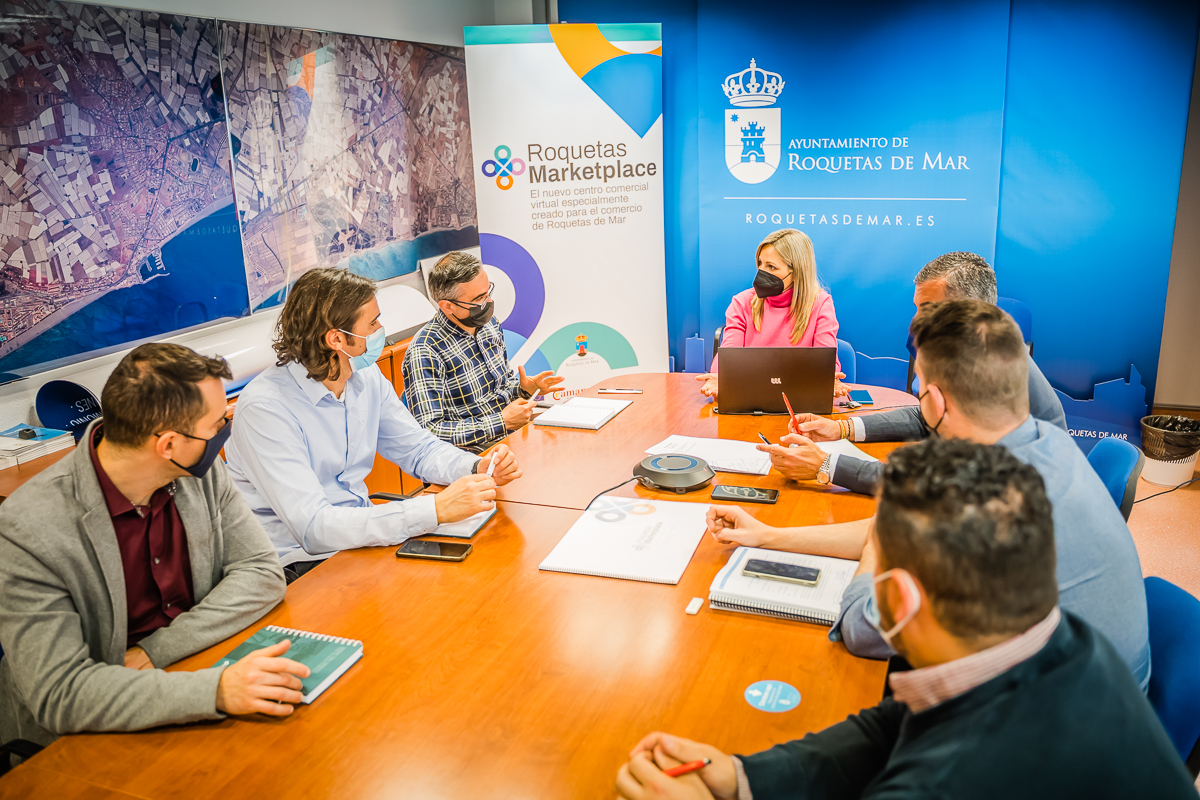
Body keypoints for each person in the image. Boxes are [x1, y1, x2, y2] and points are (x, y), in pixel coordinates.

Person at [615, 439, 1195, 800]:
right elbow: (894, 724)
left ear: (896, 601)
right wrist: (744, 779)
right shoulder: (1059, 639)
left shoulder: (944, 783)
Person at [708, 300, 1150, 688]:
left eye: (918, 389)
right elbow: (897, 528)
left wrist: (880, 540)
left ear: (935, 404)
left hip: (1047, 736)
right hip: (1097, 699)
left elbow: (863, 628)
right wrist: (769, 536)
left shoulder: (984, 506)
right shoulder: (1044, 442)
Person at [0, 344, 307, 752]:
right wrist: (214, 690)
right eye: (217, 423)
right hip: (81, 736)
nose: (224, 430)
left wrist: (156, 651)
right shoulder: (29, 527)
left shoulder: (198, 470)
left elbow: (261, 572)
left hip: (194, 668)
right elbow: (61, 693)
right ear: (168, 445)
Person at [224, 267, 522, 583]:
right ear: (336, 339)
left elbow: (417, 449)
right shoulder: (265, 408)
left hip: (358, 539)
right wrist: (434, 509)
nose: (381, 329)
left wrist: (475, 467)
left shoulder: (363, 375)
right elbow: (314, 528)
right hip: (296, 564)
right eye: (373, 323)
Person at [758, 251, 1066, 492]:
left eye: (928, 309)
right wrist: (841, 428)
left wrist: (826, 465)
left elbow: (937, 485)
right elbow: (927, 417)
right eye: (917, 308)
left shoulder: (993, 372)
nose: (915, 322)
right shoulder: (971, 349)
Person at [403, 251, 562, 451]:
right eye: (479, 298)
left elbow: (501, 390)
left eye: (488, 292)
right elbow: (430, 430)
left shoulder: (489, 325)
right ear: (447, 306)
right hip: (471, 453)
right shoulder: (425, 351)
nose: (488, 302)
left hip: (511, 437)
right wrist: (501, 422)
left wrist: (524, 389)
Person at [695, 229, 845, 400]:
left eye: (771, 267)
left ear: (797, 272)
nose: (761, 272)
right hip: (750, 397)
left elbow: (826, 362)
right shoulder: (742, 302)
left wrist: (828, 379)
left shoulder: (821, 303)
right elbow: (728, 356)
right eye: (760, 263)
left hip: (800, 400)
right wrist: (720, 378)